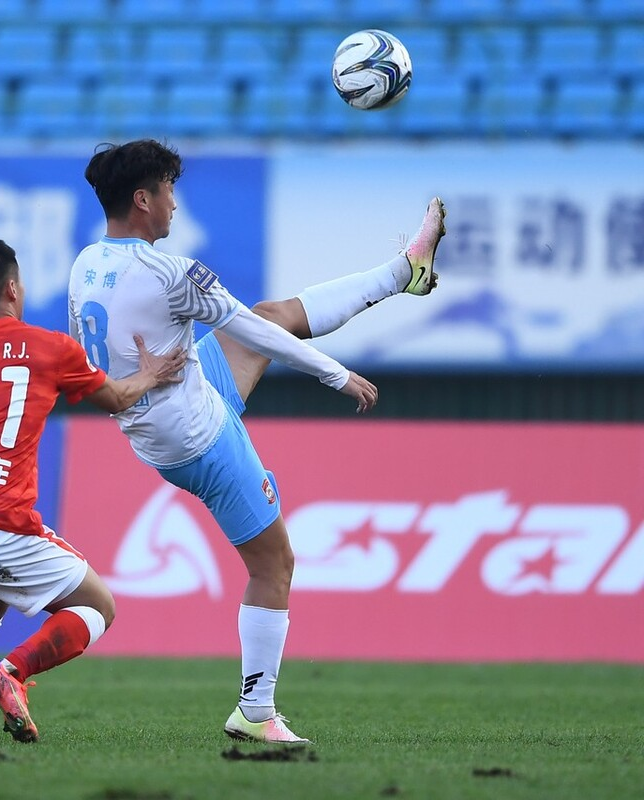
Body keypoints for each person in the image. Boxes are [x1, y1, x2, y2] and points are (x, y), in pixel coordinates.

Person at [70, 139, 446, 743]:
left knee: (272, 313)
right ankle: (256, 710)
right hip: (202, 436)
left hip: (162, 413)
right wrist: (336, 374)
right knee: (274, 564)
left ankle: (404, 271)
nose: (173, 203)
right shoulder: (169, 272)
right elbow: (241, 329)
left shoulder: (87, 262)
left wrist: (141, 379)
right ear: (143, 199)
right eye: (168, 190)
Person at [0, 236, 186, 743]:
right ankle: (11, 671)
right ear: (13, 288)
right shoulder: (48, 347)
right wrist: (151, 374)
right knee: (98, 607)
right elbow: (116, 399)